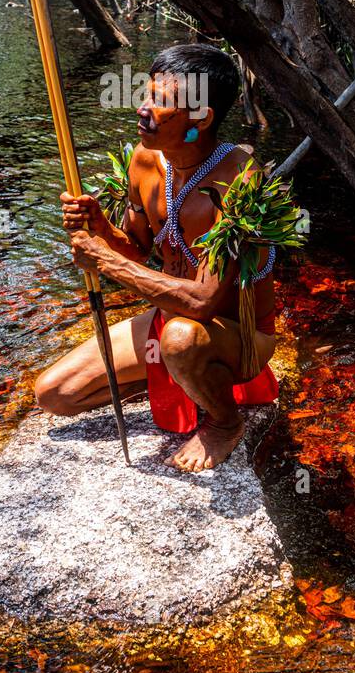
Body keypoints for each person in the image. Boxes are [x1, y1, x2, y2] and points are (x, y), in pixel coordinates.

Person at [34, 43, 279, 471]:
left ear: (201, 119)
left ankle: (224, 422)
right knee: (55, 396)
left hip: (236, 336)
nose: (143, 110)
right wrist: (102, 229)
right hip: (168, 320)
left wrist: (105, 261)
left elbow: (203, 301)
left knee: (182, 339)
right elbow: (139, 251)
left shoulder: (239, 179)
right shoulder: (145, 161)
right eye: (146, 96)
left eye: (161, 103)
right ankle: (178, 380)